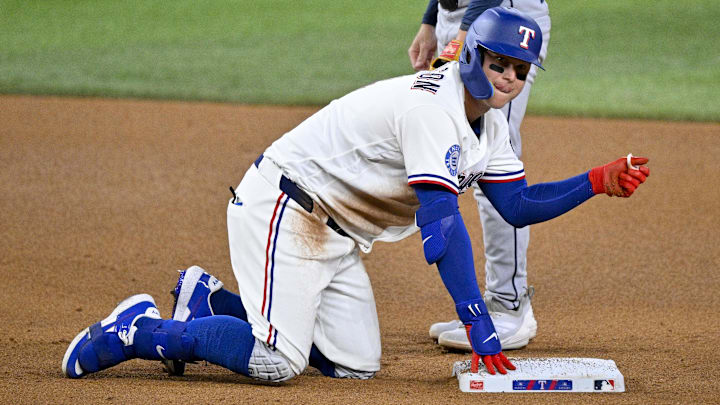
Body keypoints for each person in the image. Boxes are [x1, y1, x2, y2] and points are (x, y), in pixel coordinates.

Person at [62, 8, 649, 383]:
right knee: (279, 363)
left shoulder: (487, 126)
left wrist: (595, 181)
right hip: (285, 206)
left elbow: (518, 204)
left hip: (335, 234)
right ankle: (138, 330)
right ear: (471, 55)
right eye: (500, 64)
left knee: (354, 365)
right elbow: (442, 230)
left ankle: (209, 301)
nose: (509, 80)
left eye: (521, 71)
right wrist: (479, 324)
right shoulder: (433, 108)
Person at [408, 0, 551, 352]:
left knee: (495, 164)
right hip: (459, 17)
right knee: (456, 143)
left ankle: (509, 304)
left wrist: (462, 36)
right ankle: (494, 301)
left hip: (503, 23)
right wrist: (431, 20)